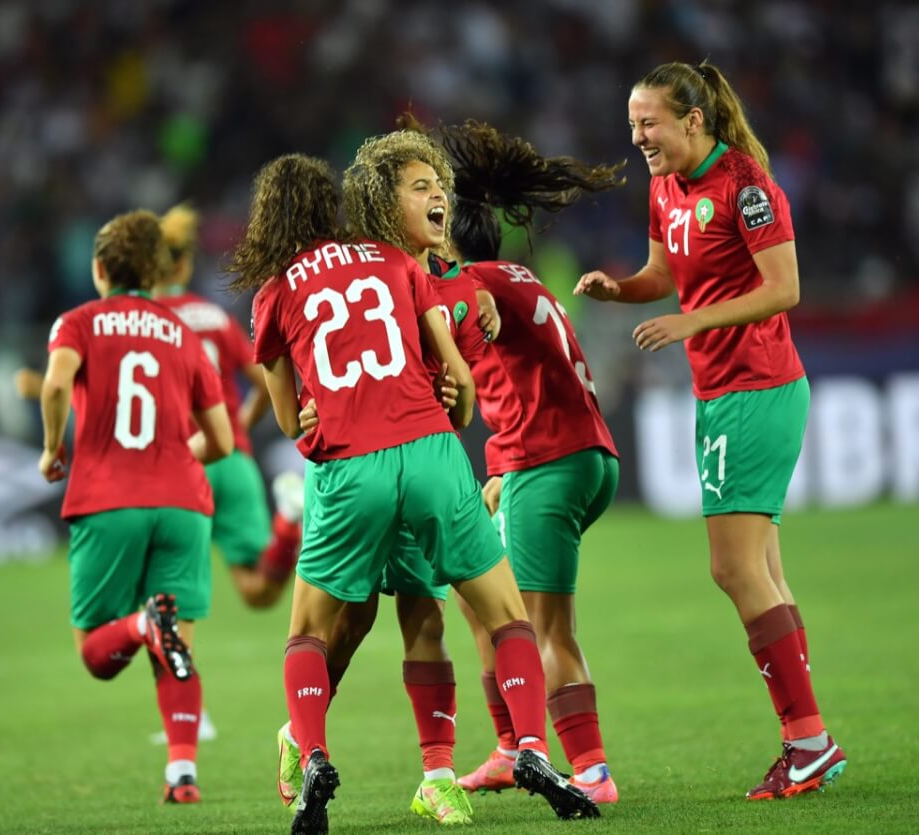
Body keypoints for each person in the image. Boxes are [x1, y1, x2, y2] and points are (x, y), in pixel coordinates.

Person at [229, 153, 599, 834]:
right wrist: (452, 398)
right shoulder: (397, 263)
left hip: (350, 466)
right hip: (431, 455)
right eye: (422, 187)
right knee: (490, 615)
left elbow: (289, 422)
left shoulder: (274, 292)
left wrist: (314, 423)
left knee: (320, 628)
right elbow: (460, 390)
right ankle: (530, 746)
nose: (436, 199)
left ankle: (314, 749)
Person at [574, 60, 847, 800]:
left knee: (732, 569)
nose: (638, 137)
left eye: (649, 123)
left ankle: (809, 740)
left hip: (757, 388)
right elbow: (664, 275)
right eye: (632, 124)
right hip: (721, 391)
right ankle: (808, 740)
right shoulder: (667, 189)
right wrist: (620, 288)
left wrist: (692, 321)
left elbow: (783, 287)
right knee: (764, 575)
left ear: (693, 119)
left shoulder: (747, 185)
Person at [433, 119, 626, 804]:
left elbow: (471, 326)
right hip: (572, 457)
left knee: (540, 628)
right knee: (482, 601)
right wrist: (498, 466)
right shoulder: (522, 276)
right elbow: (513, 376)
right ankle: (513, 746)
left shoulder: (473, 285)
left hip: (549, 466)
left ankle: (594, 771)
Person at [37, 209, 233, 804]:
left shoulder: (78, 322)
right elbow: (221, 441)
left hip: (109, 498)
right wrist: (176, 453)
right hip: (182, 504)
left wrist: (51, 449)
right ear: (156, 271)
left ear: (99, 270)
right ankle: (182, 773)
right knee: (178, 649)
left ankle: (146, 624)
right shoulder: (185, 336)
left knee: (98, 652)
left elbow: (52, 384)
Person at [152, 203, 304, 610]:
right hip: (232, 458)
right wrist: (239, 423)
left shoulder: (146, 321)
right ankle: (289, 522)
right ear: (184, 266)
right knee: (258, 591)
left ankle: (172, 669)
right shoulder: (216, 318)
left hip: (181, 465)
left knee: (166, 590)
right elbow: (265, 383)